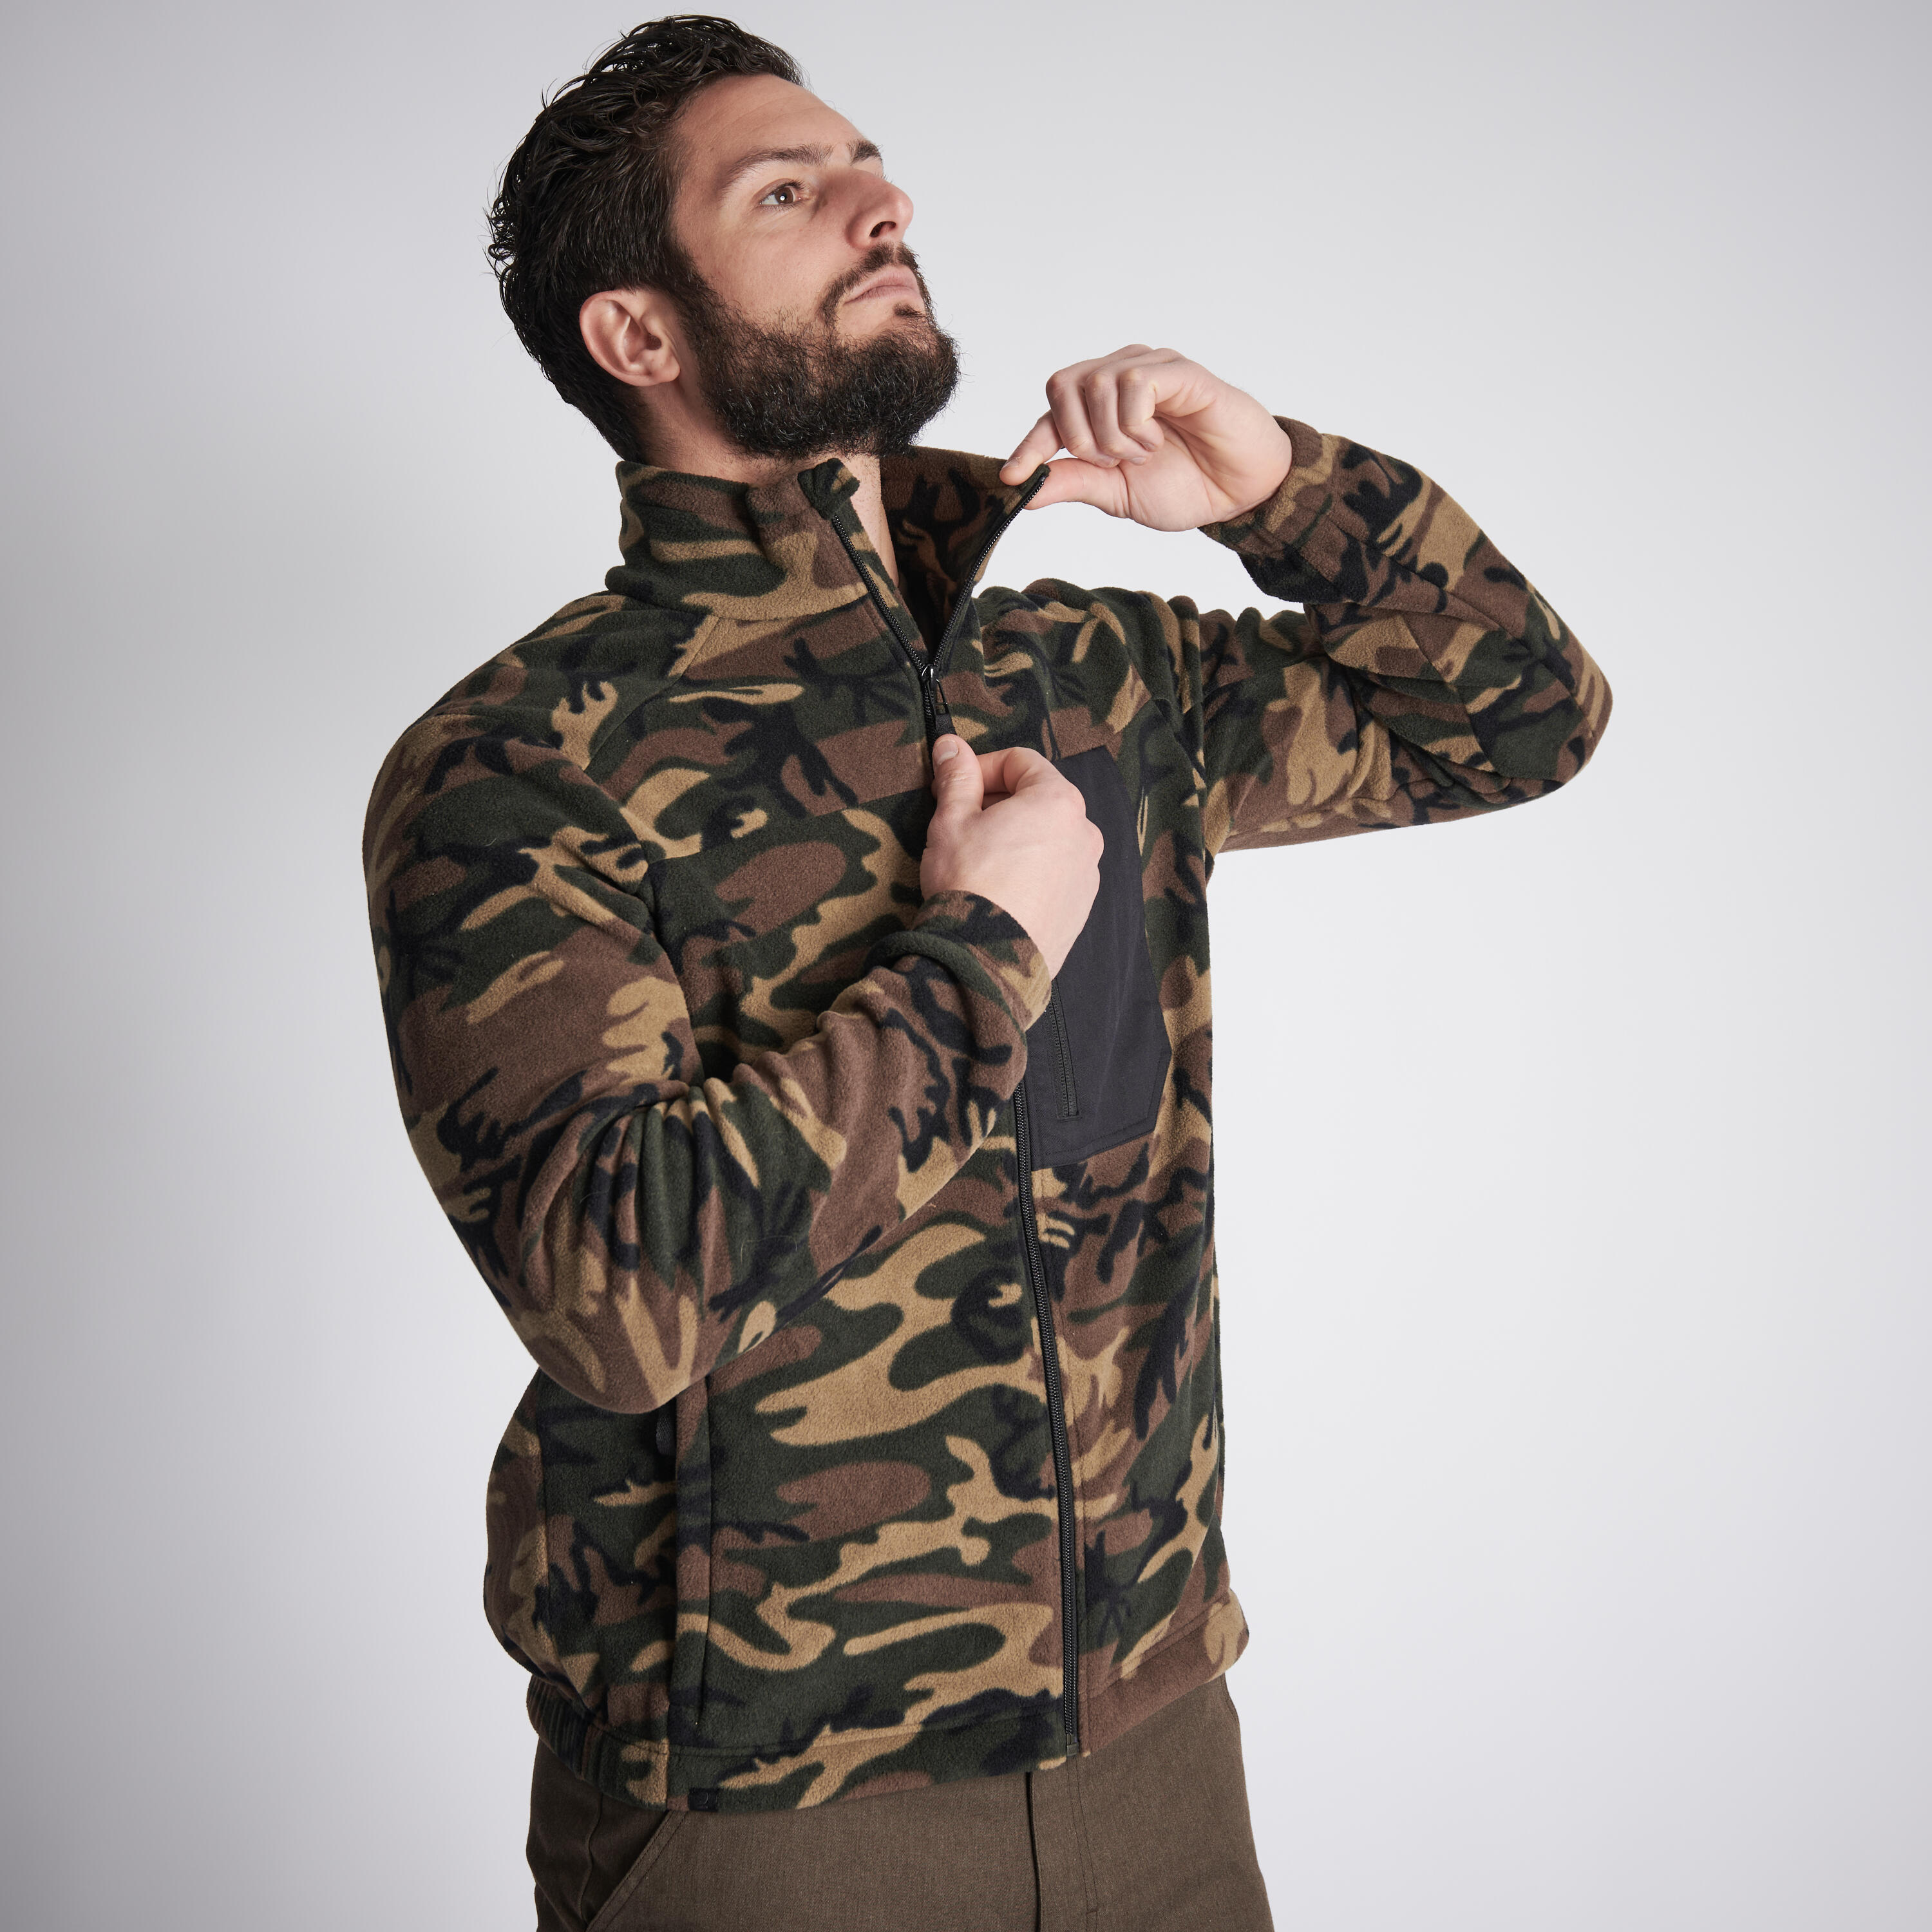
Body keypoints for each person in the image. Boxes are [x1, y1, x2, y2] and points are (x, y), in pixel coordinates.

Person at [361, 15, 1613, 1929]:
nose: (884, 203)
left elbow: (1517, 720)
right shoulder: (522, 767)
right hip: (769, 1808)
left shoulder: (1094, 673)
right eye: (788, 192)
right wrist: (987, 953)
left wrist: (1281, 491)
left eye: (868, 164)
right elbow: (617, 1298)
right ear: (639, 334)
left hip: (1156, 1750)